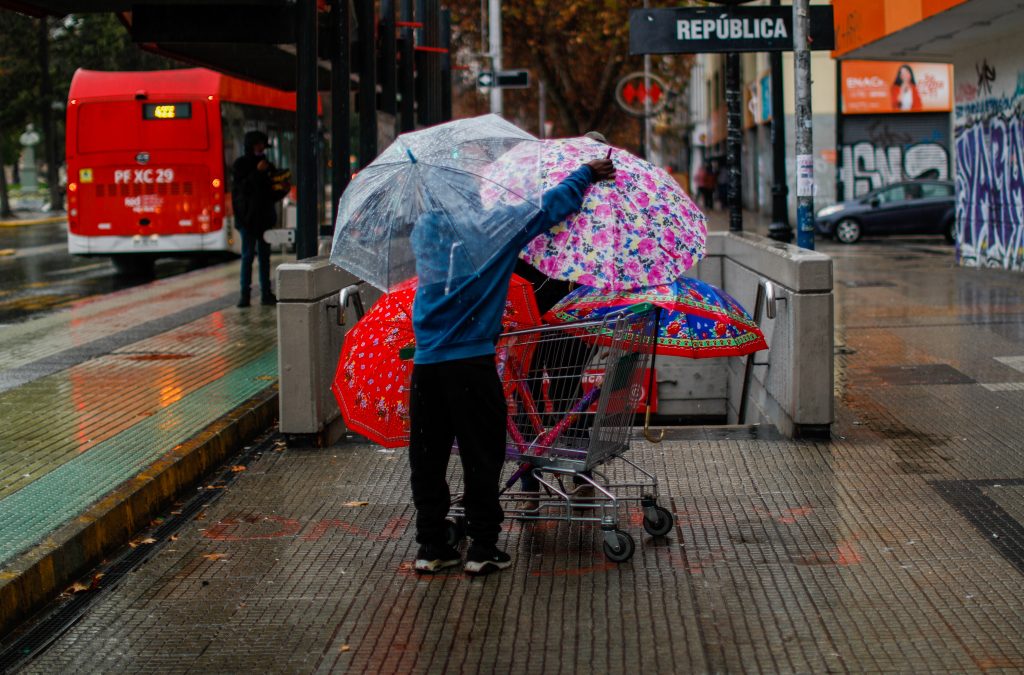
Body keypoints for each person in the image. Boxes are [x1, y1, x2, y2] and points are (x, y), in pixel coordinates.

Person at [407, 157, 616, 575]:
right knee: (481, 456)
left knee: (427, 458)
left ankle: (431, 545)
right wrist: (586, 174)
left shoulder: (424, 229)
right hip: (471, 363)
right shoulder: (492, 227)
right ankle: (483, 547)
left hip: (427, 365)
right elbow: (549, 207)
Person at [231, 130, 289, 308]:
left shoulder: (269, 166)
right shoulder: (241, 165)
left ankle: (266, 293)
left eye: (262, 144)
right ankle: (245, 294)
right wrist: (257, 172)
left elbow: (272, 193)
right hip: (247, 220)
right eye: (257, 144)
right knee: (247, 256)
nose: (260, 148)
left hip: (264, 219)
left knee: (264, 258)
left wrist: (282, 187)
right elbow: (242, 189)